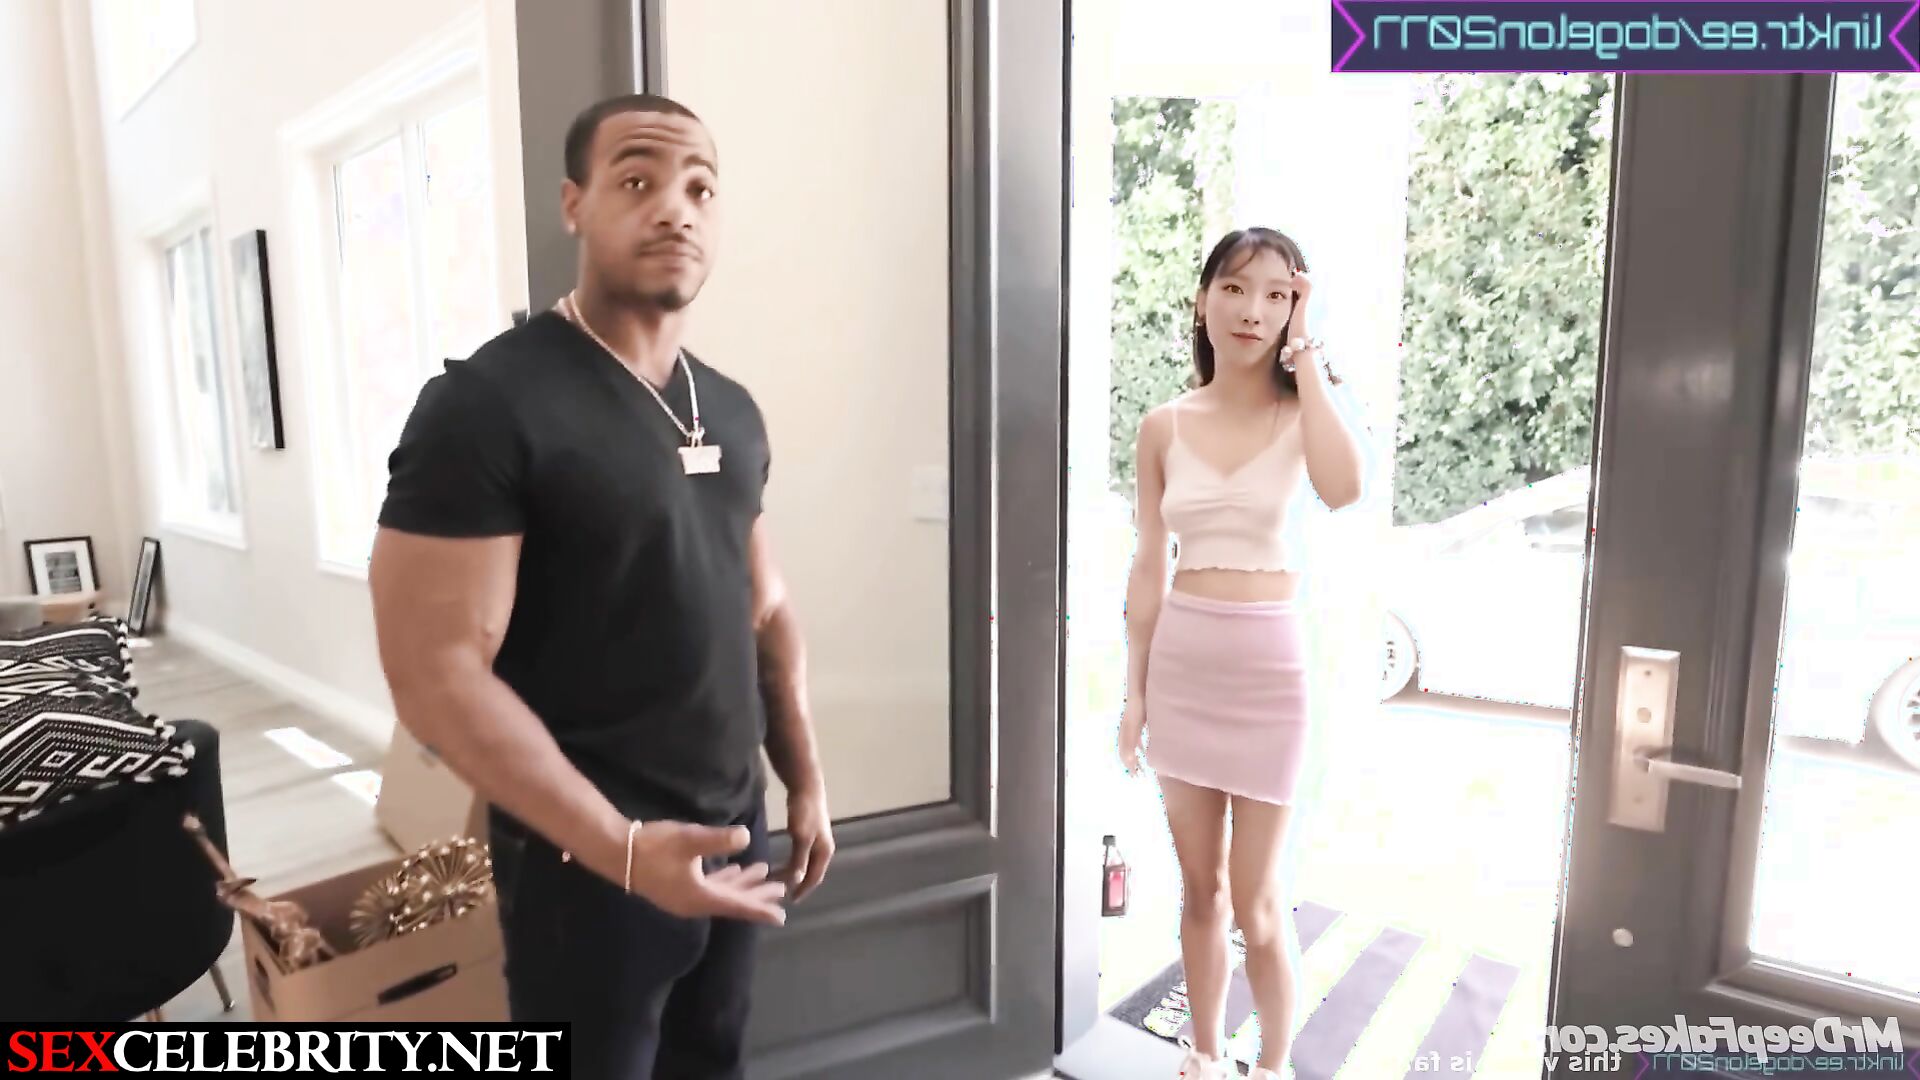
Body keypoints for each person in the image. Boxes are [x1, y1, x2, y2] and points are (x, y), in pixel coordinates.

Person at [367, 92, 835, 1080]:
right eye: (637, 179)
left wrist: (805, 780)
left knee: (711, 1062)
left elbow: (765, 609)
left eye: (700, 188)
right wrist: (620, 848)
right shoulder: (486, 406)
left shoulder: (730, 410)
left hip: (735, 833)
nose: (676, 208)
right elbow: (434, 673)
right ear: (574, 203)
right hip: (585, 863)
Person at [1119, 227, 1369, 1079]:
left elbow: (1344, 489)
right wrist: (1135, 694)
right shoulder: (1163, 426)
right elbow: (1148, 565)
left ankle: (1272, 1066)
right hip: (1183, 668)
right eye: (1234, 288)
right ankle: (1201, 1052)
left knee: (1259, 903)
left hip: (1269, 674)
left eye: (1276, 294)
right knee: (1201, 892)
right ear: (1203, 302)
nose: (1252, 310)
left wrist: (1309, 353)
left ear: (1294, 307)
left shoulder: (1304, 414)